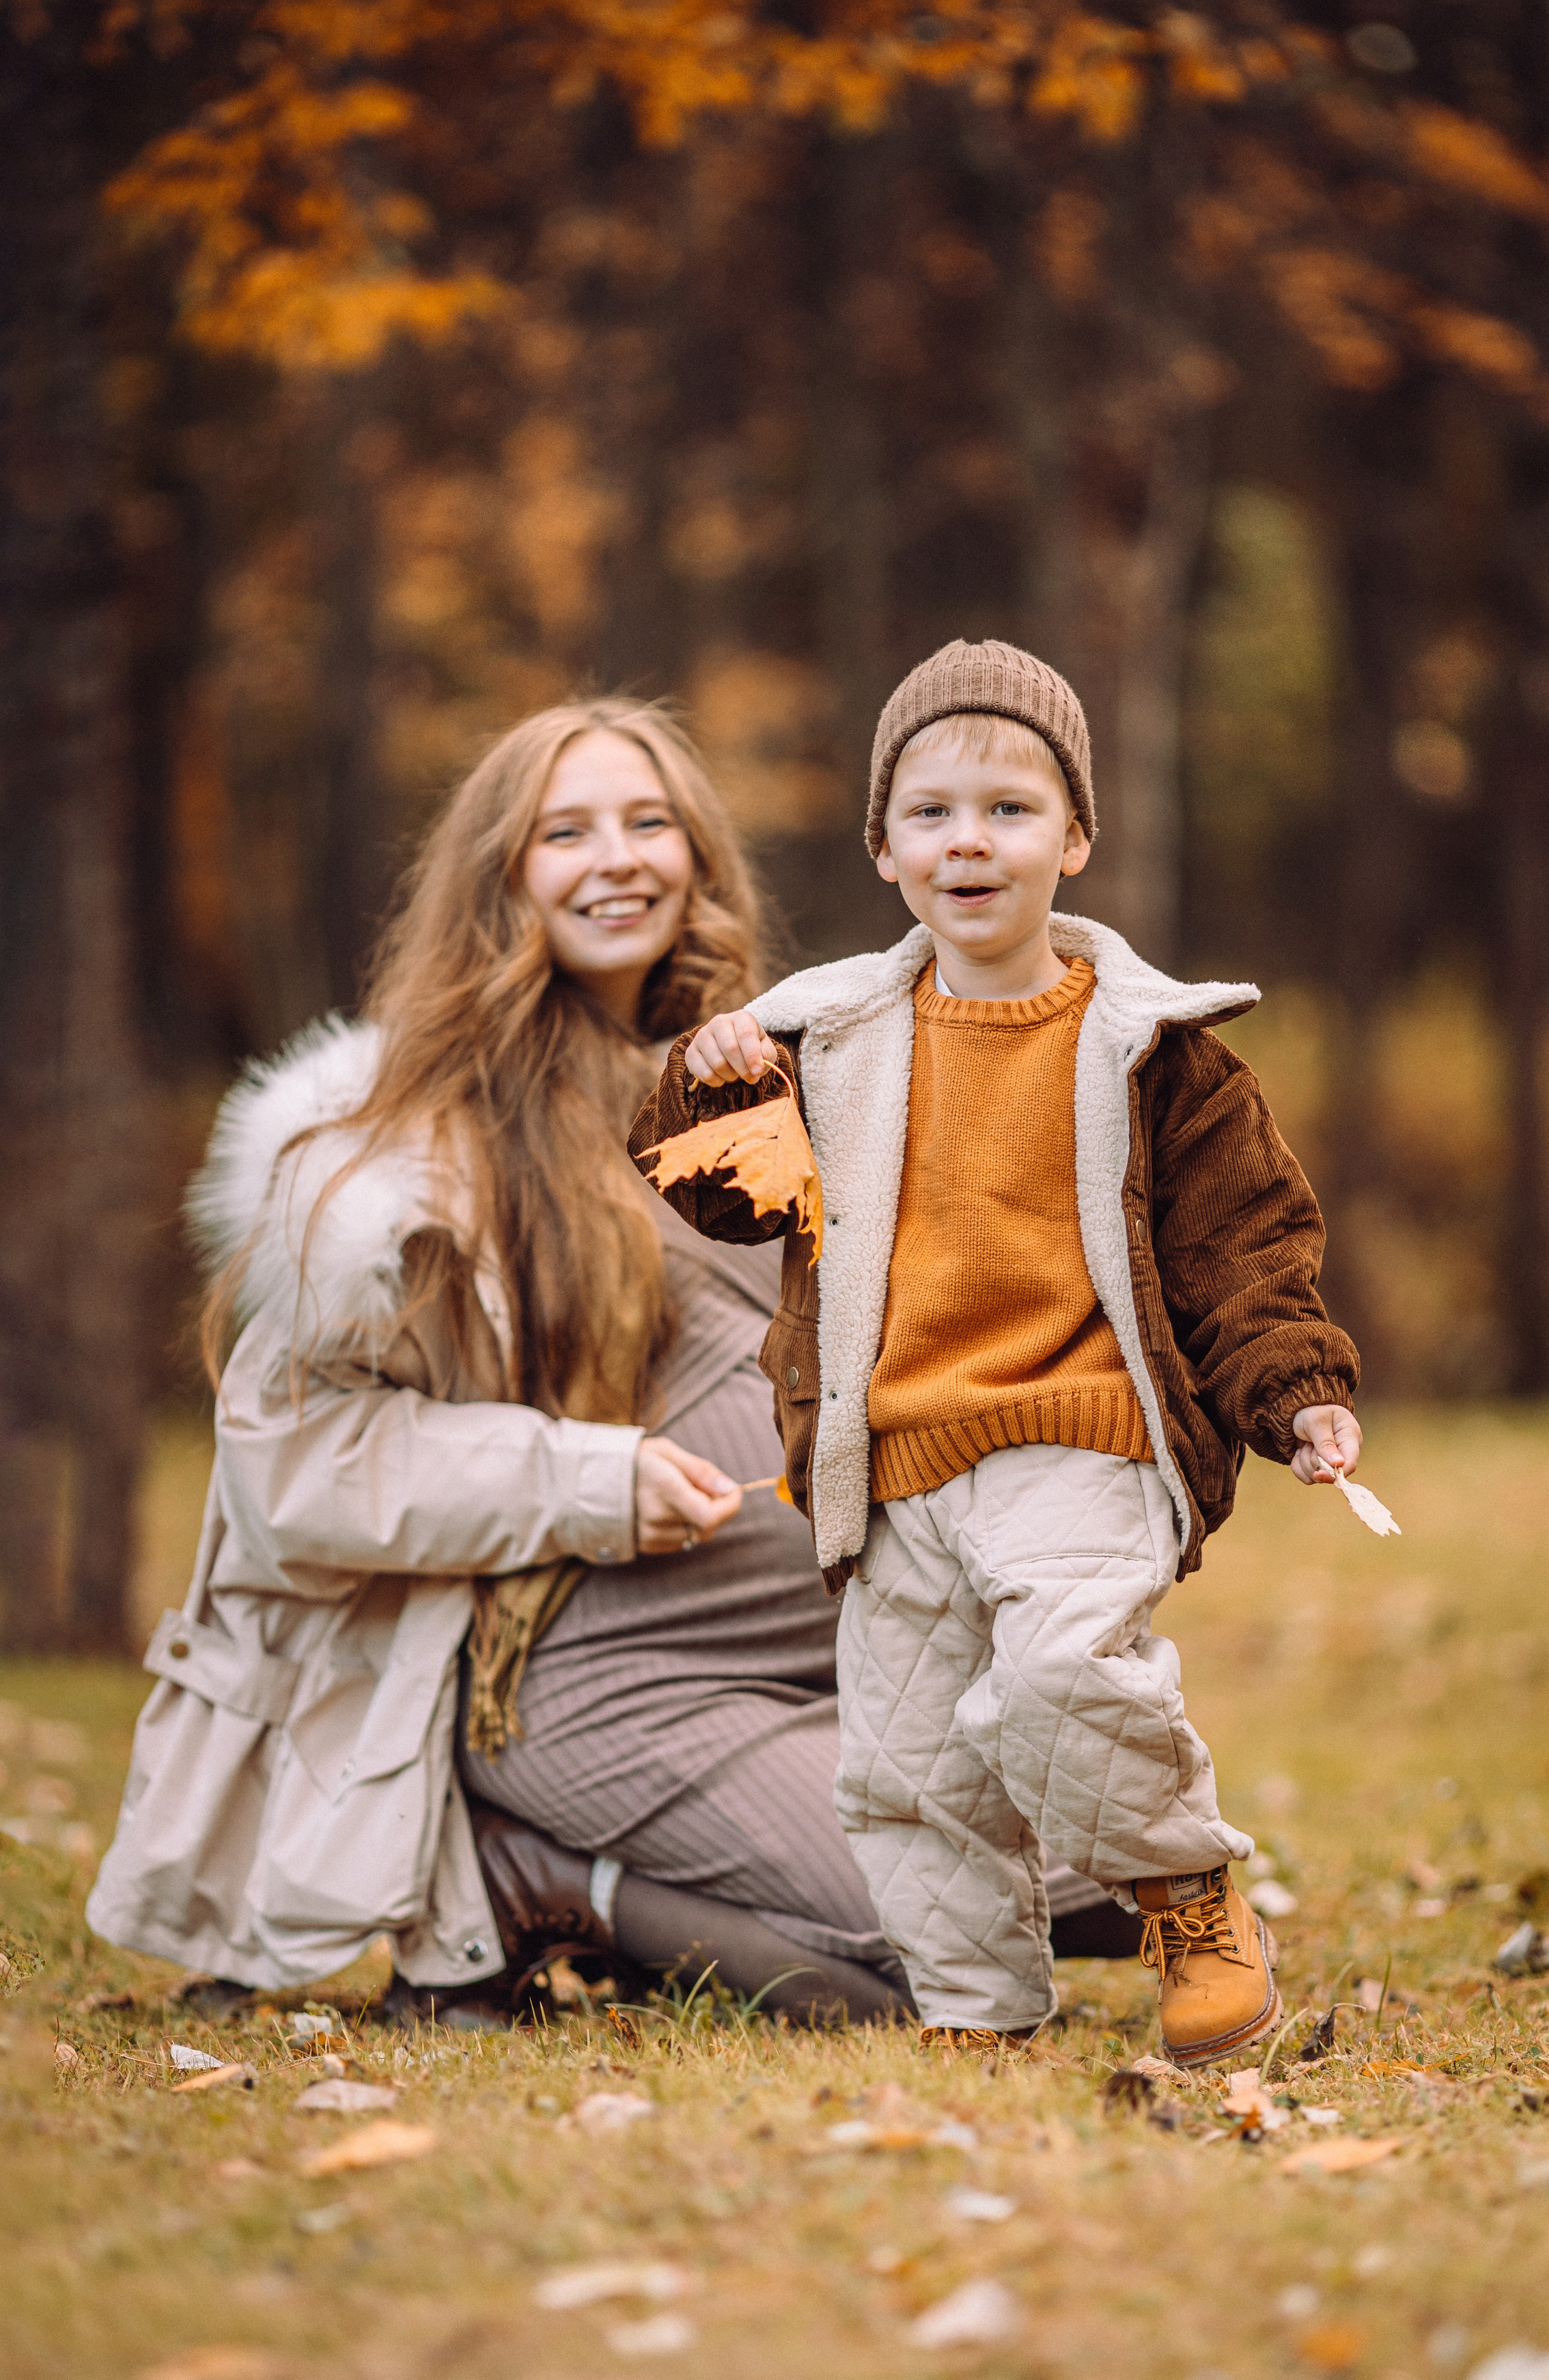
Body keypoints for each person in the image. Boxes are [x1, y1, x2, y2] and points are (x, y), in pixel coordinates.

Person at [87, 695, 1125, 2030]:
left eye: (649, 822)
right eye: (564, 832)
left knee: (1111, 1861)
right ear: (498, 878)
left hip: (834, 1655)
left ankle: (705, 1890)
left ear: (697, 854)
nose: (617, 857)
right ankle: (542, 1873)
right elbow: (300, 1469)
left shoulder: (755, 1070)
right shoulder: (397, 1144)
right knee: (984, 1927)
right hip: (600, 1680)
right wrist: (586, 1474)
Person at [632, 639, 1363, 2063]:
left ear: (1073, 838)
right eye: (931, 812)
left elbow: (1244, 1247)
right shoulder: (826, 1037)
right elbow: (733, 1198)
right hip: (888, 1452)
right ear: (886, 850)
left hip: (1078, 1430)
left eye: (1011, 808)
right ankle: (976, 2009)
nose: (970, 839)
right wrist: (708, 1085)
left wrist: (1295, 1392)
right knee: (908, 1769)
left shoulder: (1153, 1047)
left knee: (1058, 1670)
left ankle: (1187, 1892)